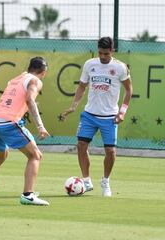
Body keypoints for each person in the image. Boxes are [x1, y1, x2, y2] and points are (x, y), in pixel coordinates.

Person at [0, 56, 50, 206]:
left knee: (1, 156)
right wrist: (40, 125)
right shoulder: (35, 80)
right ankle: (28, 195)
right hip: (7, 121)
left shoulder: (16, 79)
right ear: (44, 72)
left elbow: (9, 103)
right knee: (35, 155)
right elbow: (29, 100)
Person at [60, 37, 132, 197]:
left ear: (112, 51)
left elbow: (129, 90)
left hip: (110, 117)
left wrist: (122, 112)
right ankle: (86, 181)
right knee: (81, 145)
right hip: (89, 115)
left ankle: (105, 182)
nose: (102, 56)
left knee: (111, 152)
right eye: (100, 53)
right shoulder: (89, 64)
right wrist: (73, 106)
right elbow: (81, 87)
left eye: (106, 54)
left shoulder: (120, 68)